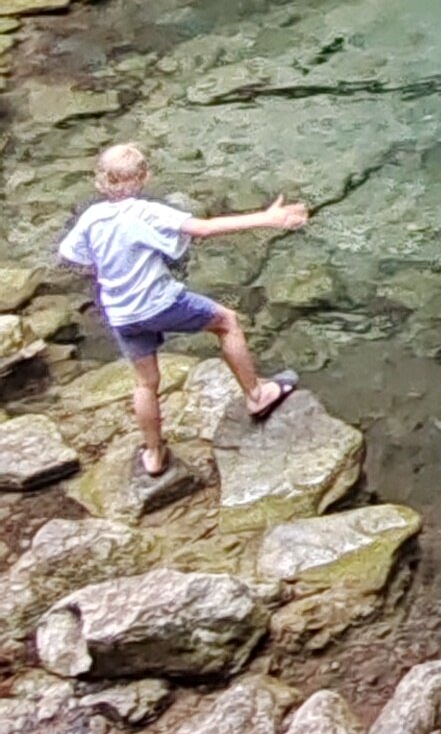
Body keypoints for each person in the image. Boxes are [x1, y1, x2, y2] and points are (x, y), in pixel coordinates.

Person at [56, 141, 310, 513]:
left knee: (145, 382)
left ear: (102, 180)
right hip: (160, 302)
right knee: (226, 322)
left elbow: (70, 256)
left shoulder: (92, 217)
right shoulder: (146, 212)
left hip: (122, 313)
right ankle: (257, 395)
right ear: (143, 177)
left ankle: (155, 455)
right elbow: (203, 229)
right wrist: (266, 218)